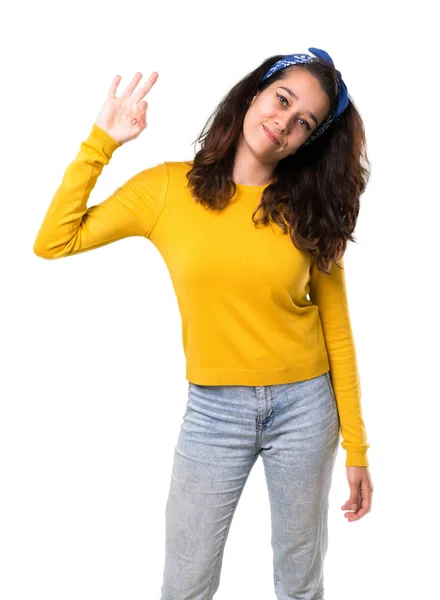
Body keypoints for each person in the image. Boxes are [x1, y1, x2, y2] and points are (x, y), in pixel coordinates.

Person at [34, 47, 374, 599]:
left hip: (306, 409)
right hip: (214, 412)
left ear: (308, 139)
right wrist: (102, 143)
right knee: (185, 584)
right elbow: (54, 240)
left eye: (303, 122)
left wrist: (356, 448)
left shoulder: (310, 207)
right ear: (255, 92)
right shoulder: (167, 189)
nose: (283, 122)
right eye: (282, 99)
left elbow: (337, 329)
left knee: (299, 580)